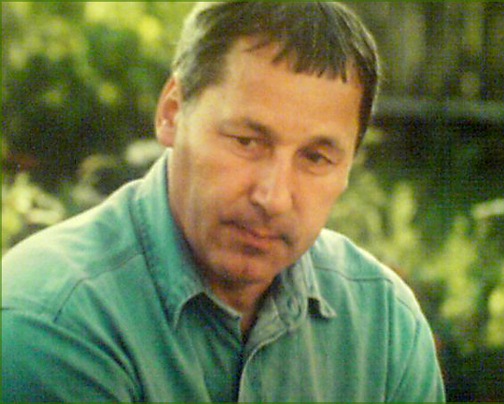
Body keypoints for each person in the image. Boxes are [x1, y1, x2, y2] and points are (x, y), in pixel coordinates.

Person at [2, 2, 446, 402]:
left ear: (348, 166)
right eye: (247, 141)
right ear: (172, 112)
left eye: (315, 158)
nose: (273, 198)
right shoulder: (54, 318)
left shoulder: (386, 325)